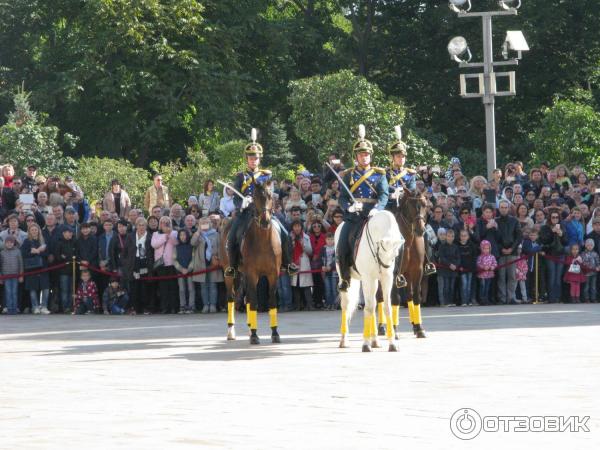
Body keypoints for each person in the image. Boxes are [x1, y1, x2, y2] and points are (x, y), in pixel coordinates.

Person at [224, 129, 298, 278]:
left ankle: (288, 263)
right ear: (247, 159)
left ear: (259, 159)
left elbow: (270, 194)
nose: (253, 160)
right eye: (251, 158)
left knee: (284, 232)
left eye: (256, 158)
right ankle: (232, 266)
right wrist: (242, 203)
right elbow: (236, 198)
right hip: (246, 213)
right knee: (232, 236)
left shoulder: (266, 175)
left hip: (264, 211)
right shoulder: (240, 177)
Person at [337, 125, 389, 292]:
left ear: (370, 156)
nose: (364, 157)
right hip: (355, 216)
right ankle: (345, 277)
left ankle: (394, 271)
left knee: (395, 240)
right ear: (356, 157)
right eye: (361, 154)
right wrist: (350, 207)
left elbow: (383, 196)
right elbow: (342, 198)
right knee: (342, 243)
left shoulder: (379, 174)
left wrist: (378, 208)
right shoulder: (348, 175)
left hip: (373, 215)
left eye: (366, 154)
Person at [123, 217, 154, 314]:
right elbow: (125, 251)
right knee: (134, 286)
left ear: (146, 226)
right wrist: (126, 263)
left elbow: (152, 251)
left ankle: (145, 307)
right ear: (136, 226)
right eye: (139, 225)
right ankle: (136, 308)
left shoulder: (150, 236)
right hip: (134, 263)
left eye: (143, 225)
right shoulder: (130, 236)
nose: (141, 227)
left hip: (145, 262)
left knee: (144, 286)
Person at [496, 200, 522, 304]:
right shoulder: (495, 221)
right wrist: (501, 248)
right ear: (499, 209)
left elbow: (519, 236)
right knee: (501, 277)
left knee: (512, 276)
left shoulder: (514, 221)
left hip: (513, 252)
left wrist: (512, 248)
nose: (503, 209)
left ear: (508, 208)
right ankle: (502, 298)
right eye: (501, 207)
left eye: (505, 207)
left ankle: (511, 297)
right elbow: (494, 238)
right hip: (501, 253)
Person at [151, 216, 179, 313]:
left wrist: (169, 234)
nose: (164, 224)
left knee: (172, 286)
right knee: (163, 287)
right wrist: (164, 236)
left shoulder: (175, 233)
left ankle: (173, 307)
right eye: (162, 222)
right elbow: (154, 244)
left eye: (167, 222)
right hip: (160, 264)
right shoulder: (155, 234)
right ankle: (164, 307)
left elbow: (176, 243)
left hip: (171, 263)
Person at [21, 223, 50, 314]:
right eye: (32, 230)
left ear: (38, 231)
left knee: (45, 288)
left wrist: (38, 251)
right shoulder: (26, 241)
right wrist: (32, 252)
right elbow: (23, 254)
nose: (34, 231)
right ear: (29, 231)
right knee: (33, 289)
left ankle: (44, 306)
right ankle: (35, 307)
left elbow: (47, 254)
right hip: (31, 269)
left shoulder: (43, 241)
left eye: (35, 230)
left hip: (43, 268)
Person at [539, 210, 568, 303]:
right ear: (549, 218)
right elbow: (543, 240)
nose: (555, 219)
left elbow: (566, 242)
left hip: (560, 255)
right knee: (551, 276)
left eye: (556, 217)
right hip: (550, 255)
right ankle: (551, 298)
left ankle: (558, 297)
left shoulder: (562, 227)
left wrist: (561, 234)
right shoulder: (545, 228)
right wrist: (552, 232)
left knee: (558, 277)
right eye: (553, 217)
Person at [55, 227, 77, 313]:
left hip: (73, 270)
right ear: (63, 233)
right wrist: (62, 257)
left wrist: (65, 257)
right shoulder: (59, 243)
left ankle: (72, 306)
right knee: (64, 290)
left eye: (71, 232)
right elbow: (57, 256)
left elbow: (76, 254)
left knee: (72, 289)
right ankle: (65, 307)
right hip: (63, 271)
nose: (70, 234)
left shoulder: (74, 242)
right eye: (68, 232)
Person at [173, 229, 195, 314]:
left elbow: (193, 258)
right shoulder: (176, 247)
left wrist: (189, 268)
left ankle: (191, 306)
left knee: (191, 288)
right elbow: (174, 259)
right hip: (180, 271)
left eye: (184, 235)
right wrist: (181, 269)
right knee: (181, 289)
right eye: (181, 235)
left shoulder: (191, 246)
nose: (183, 237)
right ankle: (182, 305)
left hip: (190, 271)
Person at [0, 235, 24, 314]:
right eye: (7, 243)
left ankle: (14, 308)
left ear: (14, 243)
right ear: (5, 243)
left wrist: (21, 275)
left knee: (14, 292)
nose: (9, 244)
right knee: (8, 292)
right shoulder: (2, 252)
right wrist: (1, 277)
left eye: (11, 243)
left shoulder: (17, 251)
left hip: (15, 275)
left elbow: (21, 264)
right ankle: (9, 308)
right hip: (6, 276)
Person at [436, 228, 460, 306]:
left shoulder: (455, 247)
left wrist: (455, 265)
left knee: (452, 287)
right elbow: (442, 258)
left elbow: (458, 258)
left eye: (452, 236)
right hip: (444, 270)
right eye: (449, 236)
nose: (450, 238)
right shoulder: (442, 246)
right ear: (446, 237)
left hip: (453, 270)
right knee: (445, 287)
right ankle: (445, 302)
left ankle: (451, 301)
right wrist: (450, 264)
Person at [457, 228, 477, 306]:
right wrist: (460, 266)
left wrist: (472, 267)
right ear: (459, 237)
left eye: (465, 236)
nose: (463, 237)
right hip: (462, 269)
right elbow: (458, 258)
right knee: (464, 285)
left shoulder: (472, 245)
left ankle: (468, 301)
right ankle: (464, 301)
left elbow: (474, 257)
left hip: (470, 268)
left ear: (468, 236)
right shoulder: (457, 246)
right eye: (462, 236)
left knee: (469, 285)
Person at [477, 240, 497, 305]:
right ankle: (481, 299)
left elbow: (495, 263)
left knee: (487, 287)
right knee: (482, 287)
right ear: (481, 249)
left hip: (489, 275)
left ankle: (486, 299)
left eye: (487, 248)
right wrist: (483, 267)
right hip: (482, 275)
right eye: (484, 248)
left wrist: (492, 267)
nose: (486, 250)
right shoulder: (480, 257)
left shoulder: (492, 256)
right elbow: (478, 264)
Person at [581, 238, 599, 303]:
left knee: (593, 287)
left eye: (591, 245)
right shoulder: (583, 254)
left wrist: (598, 267)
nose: (589, 246)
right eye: (588, 245)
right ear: (585, 245)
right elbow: (582, 262)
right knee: (586, 286)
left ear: (593, 246)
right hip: (586, 273)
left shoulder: (595, 254)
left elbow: (597, 262)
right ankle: (586, 298)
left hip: (594, 273)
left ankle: (593, 298)